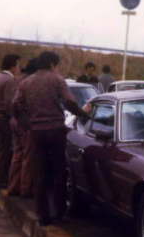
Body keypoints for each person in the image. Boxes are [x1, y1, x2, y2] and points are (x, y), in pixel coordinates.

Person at [13, 51, 90, 226]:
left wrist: (27, 124)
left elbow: (15, 105)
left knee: (39, 173)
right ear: (52, 64)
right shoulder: (57, 80)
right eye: (56, 65)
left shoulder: (26, 83)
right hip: (56, 130)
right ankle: (59, 213)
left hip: (36, 132)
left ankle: (43, 215)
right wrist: (82, 114)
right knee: (58, 172)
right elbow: (69, 102)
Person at [8, 61, 39, 199]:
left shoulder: (16, 79)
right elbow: (17, 102)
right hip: (24, 122)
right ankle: (25, 189)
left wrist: (15, 116)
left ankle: (13, 187)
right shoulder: (30, 82)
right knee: (28, 157)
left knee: (17, 155)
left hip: (15, 121)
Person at [0, 54, 21, 188]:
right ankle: (1, 180)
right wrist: (15, 116)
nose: (19, 68)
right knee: (5, 150)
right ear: (13, 66)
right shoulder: (10, 80)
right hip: (3, 118)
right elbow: (10, 102)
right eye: (18, 65)